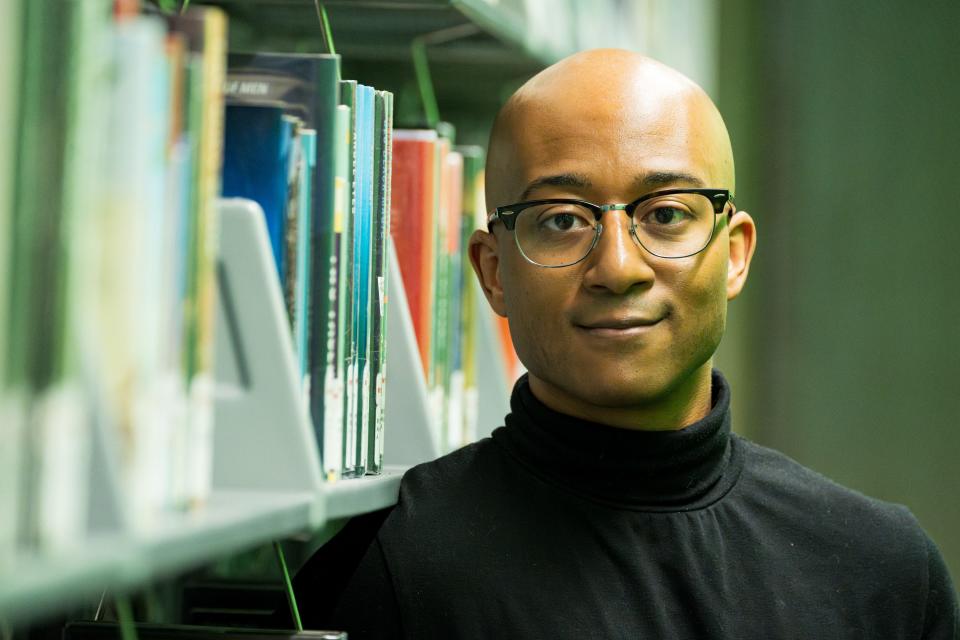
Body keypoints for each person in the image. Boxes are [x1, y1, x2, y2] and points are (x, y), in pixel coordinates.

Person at [292, 49, 959, 638]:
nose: (617, 268)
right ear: (494, 272)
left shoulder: (883, 571)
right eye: (561, 220)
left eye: (665, 213)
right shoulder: (388, 573)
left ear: (733, 254)